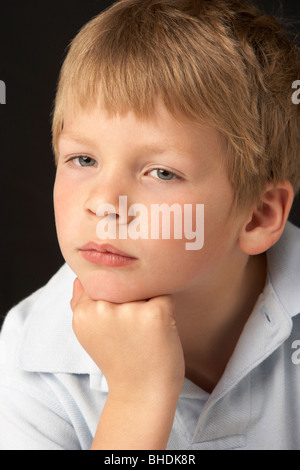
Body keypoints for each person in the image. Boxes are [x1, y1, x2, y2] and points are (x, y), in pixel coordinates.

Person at [1, 0, 300, 450]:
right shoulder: (28, 356)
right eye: (83, 159)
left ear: (258, 215)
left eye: (161, 172)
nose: (103, 203)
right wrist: (139, 397)